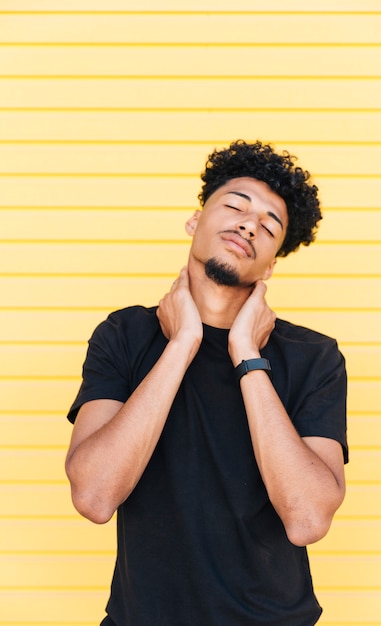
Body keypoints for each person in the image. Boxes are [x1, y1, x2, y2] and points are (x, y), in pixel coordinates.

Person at [65, 140, 348, 626]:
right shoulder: (124, 334)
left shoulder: (314, 357)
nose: (247, 224)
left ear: (272, 263)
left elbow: (307, 520)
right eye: (236, 206)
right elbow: (93, 497)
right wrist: (182, 344)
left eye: (268, 225)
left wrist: (247, 356)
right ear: (196, 221)